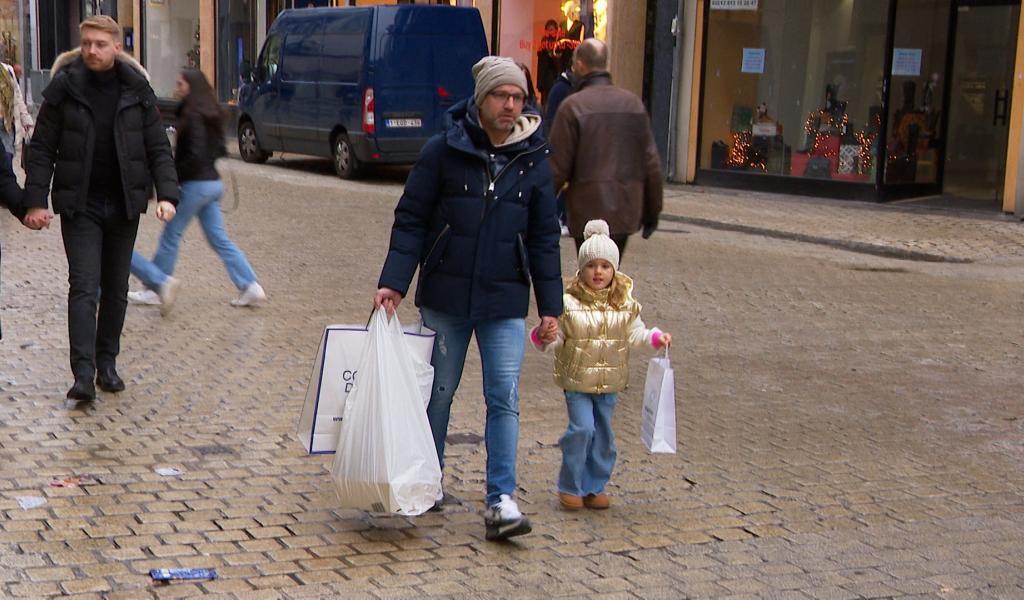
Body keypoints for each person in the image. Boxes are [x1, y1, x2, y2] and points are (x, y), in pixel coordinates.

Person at [374, 56, 562, 541]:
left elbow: (543, 238)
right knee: (437, 393)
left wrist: (551, 307)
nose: (511, 104)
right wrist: (394, 281)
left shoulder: (534, 158)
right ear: (481, 99)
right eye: (502, 95)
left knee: (504, 398)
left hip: (505, 302)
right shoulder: (442, 150)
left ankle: (501, 498)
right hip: (446, 294)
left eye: (518, 96)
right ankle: (426, 479)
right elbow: (411, 217)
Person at [22, 16, 179, 402]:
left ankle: (107, 362)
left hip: (125, 202)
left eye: (101, 44)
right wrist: (35, 201)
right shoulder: (65, 87)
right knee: (83, 286)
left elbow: (158, 146)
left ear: (117, 47)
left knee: (116, 289)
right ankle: (83, 373)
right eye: (87, 43)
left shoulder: (137, 89)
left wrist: (168, 196)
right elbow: (41, 147)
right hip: (81, 204)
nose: (93, 50)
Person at [532, 219, 671, 510]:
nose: (598, 272)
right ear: (581, 269)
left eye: (605, 266)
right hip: (577, 381)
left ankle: (595, 485)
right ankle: (570, 484)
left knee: (604, 437)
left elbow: (635, 334)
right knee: (582, 430)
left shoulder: (625, 303)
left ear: (614, 270)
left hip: (610, 383)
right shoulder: (568, 303)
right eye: (592, 265)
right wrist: (543, 336)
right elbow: (556, 338)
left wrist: (656, 338)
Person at [128, 69, 266, 315]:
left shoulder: (193, 116)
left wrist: (174, 177)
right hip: (212, 183)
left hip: (196, 185)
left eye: (181, 83)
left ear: (191, 86)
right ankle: (249, 284)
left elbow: (194, 155)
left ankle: (154, 286)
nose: (177, 86)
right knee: (219, 239)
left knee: (172, 233)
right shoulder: (208, 111)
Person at [549, 39, 663, 260]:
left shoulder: (573, 107)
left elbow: (555, 168)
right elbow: (651, 164)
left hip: (586, 209)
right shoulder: (633, 105)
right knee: (610, 272)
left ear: (580, 65)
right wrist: (652, 212)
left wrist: (538, 212)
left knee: (591, 275)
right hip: (625, 209)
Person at [0, 61, 34, 172]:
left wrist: (26, 119)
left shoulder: (7, 70)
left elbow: (17, 96)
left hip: (7, 128)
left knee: (7, 165)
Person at [536, 19, 561, 105]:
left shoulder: (559, 43)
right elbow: (540, 65)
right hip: (545, 79)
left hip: (554, 77)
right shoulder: (543, 43)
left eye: (552, 29)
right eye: (548, 30)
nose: (550, 32)